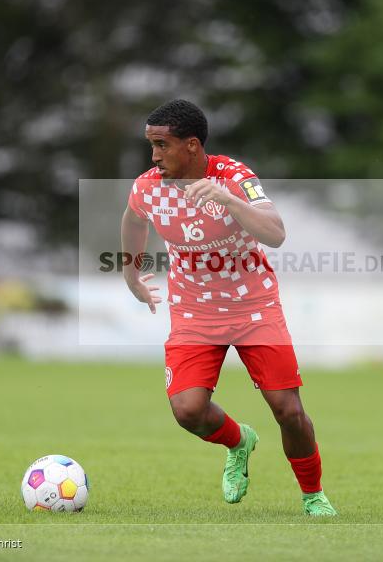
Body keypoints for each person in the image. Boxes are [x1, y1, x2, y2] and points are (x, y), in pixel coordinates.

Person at [121, 99, 336, 516]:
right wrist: (131, 275)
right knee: (188, 410)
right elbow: (133, 219)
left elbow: (275, 233)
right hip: (194, 312)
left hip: (253, 307)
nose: (154, 156)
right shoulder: (148, 187)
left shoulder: (236, 177)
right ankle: (239, 442)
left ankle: (313, 495)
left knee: (288, 410)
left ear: (193, 145)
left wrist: (230, 200)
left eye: (162, 145)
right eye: (151, 145)